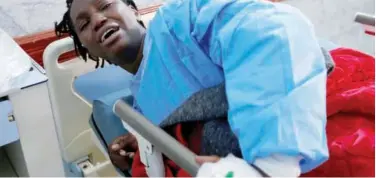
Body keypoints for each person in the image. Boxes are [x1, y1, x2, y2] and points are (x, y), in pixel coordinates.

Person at [55, 0, 329, 176]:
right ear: (85, 48)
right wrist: (142, 145)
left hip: (303, 133)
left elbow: (273, 29)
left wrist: (272, 165)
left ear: (133, 9)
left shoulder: (179, 20)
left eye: (105, 5)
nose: (98, 19)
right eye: (84, 24)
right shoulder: (139, 102)